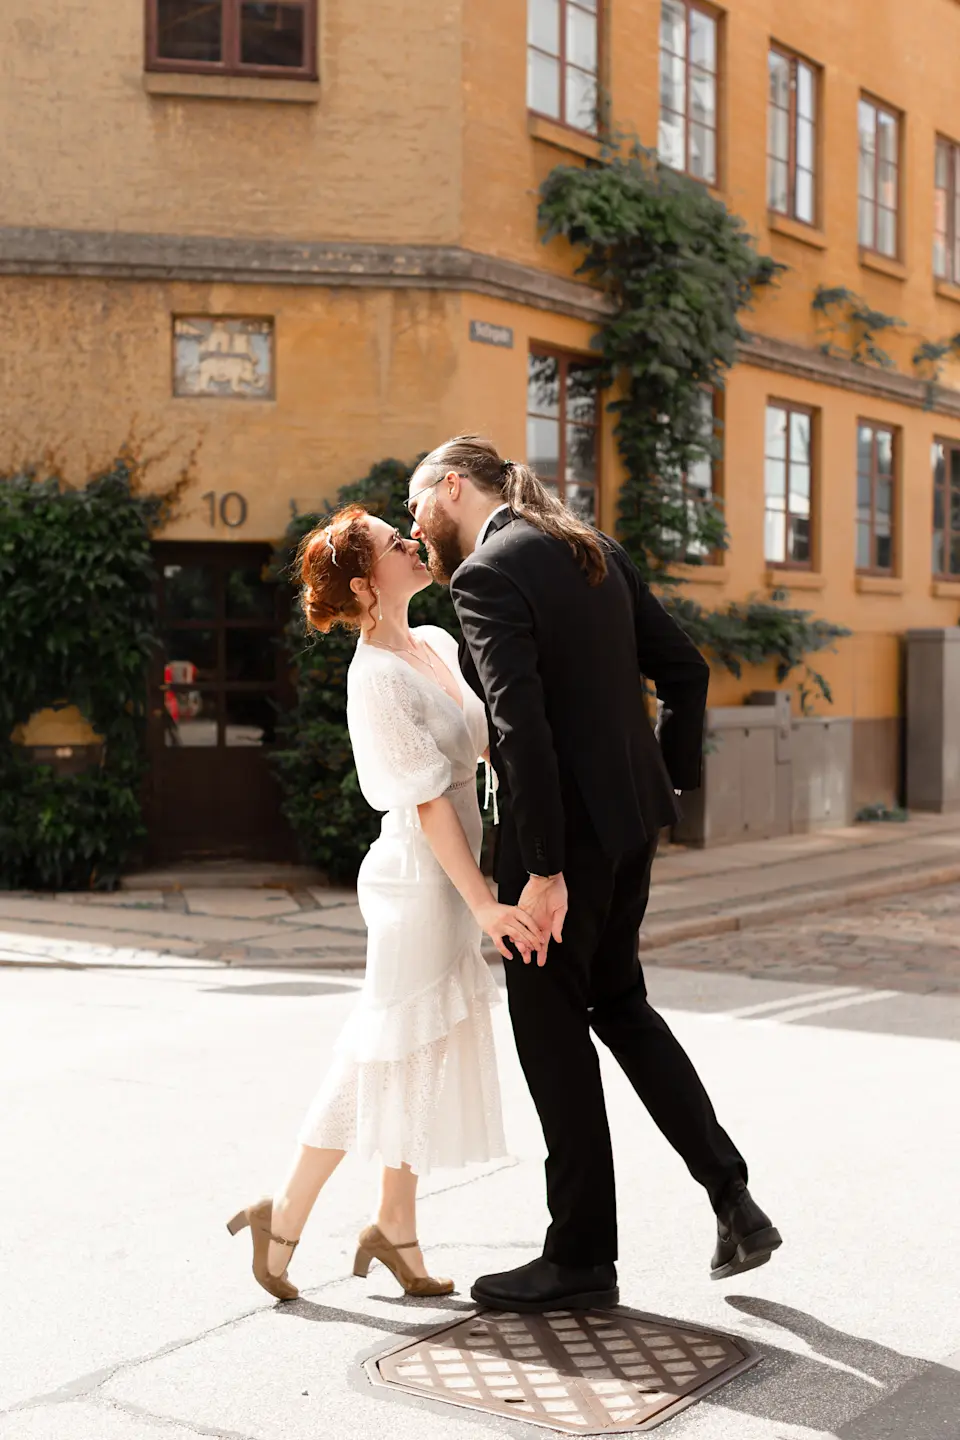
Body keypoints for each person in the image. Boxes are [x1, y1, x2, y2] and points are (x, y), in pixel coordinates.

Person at [408, 435, 782, 1313]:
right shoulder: (591, 547)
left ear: (453, 486)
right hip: (628, 826)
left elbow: (522, 729)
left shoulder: (486, 573)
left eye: (416, 501)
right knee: (618, 1005)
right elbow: (685, 670)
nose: (414, 521)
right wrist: (666, 780)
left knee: (551, 1036)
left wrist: (541, 870)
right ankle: (732, 1197)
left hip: (559, 846)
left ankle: (579, 1256)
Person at [227, 504, 543, 1302]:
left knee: (415, 1050)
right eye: (394, 543)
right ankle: (288, 1214)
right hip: (420, 881)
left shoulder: (434, 642)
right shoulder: (374, 678)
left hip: (453, 874)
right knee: (387, 1048)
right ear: (368, 586)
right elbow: (430, 800)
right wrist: (483, 903)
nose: (411, 542)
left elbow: (481, 743)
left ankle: (391, 1222)